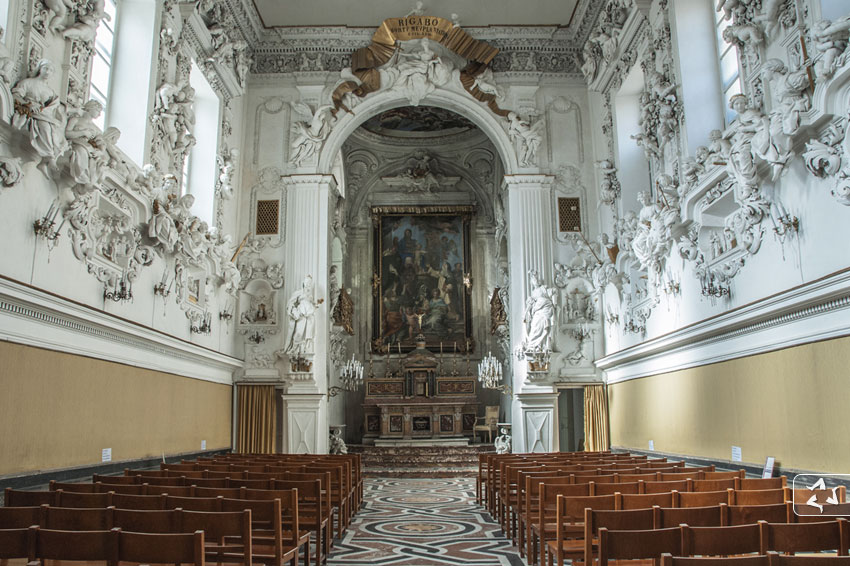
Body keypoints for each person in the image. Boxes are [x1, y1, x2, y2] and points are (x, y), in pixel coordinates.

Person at [285, 275, 323, 357]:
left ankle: (303, 350)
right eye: (307, 283)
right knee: (298, 333)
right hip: (301, 316)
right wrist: (293, 311)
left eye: (310, 283)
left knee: (307, 334)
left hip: (308, 317)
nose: (308, 285)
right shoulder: (298, 293)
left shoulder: (310, 296)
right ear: (303, 283)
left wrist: (317, 304)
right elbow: (290, 303)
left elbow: (312, 305)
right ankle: (294, 349)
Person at [522, 269, 557, 352]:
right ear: (532, 283)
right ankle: (533, 345)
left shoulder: (544, 288)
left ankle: (542, 346)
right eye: (534, 280)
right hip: (537, 311)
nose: (536, 281)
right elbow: (530, 304)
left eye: (537, 279)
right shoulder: (533, 293)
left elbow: (553, 291)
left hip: (546, 310)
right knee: (534, 325)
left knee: (543, 324)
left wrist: (554, 302)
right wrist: (525, 313)